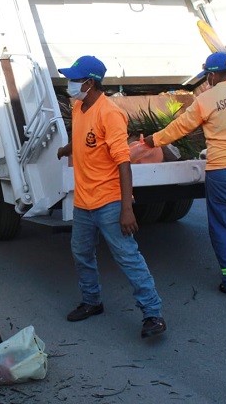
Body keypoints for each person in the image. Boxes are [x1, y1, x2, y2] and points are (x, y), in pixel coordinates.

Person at [57, 55, 166, 339]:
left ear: (89, 83)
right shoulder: (81, 108)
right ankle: (92, 302)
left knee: (127, 257)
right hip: (83, 202)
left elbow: (123, 162)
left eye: (75, 79)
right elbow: (85, 139)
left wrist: (126, 207)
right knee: (81, 252)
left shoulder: (110, 113)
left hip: (109, 202)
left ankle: (153, 315)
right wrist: (66, 149)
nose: (71, 84)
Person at [144, 52, 226, 297]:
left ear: (212, 75)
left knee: (222, 226)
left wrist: (154, 140)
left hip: (223, 172)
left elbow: (181, 126)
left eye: (208, 76)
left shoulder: (207, 99)